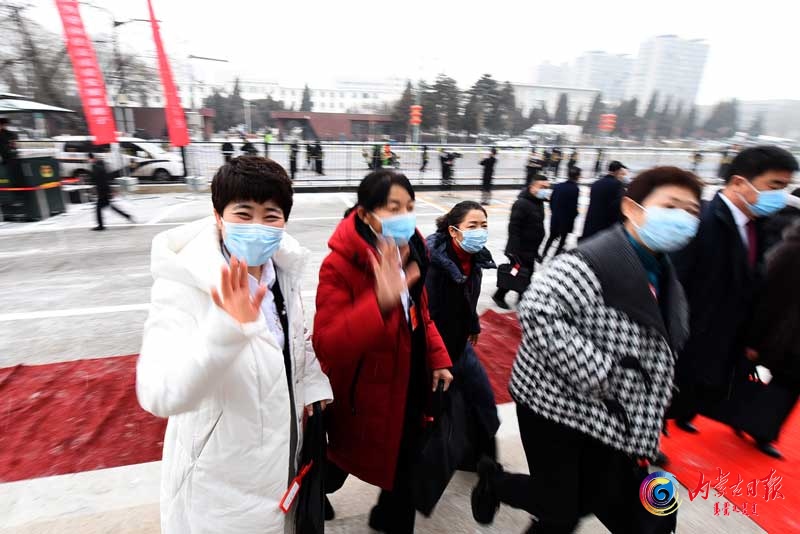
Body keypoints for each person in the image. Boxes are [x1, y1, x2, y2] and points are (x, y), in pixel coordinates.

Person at [472, 166, 703, 533]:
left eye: (691, 210)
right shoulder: (596, 259)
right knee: (561, 509)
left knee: (584, 500)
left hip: (606, 411)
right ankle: (495, 483)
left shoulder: (661, 267)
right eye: (671, 206)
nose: (683, 218)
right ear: (632, 209)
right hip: (552, 403)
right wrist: (602, 373)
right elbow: (537, 310)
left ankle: (501, 485)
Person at [136, 155, 333, 533]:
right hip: (219, 489)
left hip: (281, 467)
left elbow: (293, 341)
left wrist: (313, 385)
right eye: (243, 214)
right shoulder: (184, 283)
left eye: (271, 216)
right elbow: (158, 394)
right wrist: (226, 329)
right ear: (218, 216)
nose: (258, 226)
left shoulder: (283, 272)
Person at [313, 170, 453, 533]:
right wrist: (378, 303)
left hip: (409, 386)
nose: (405, 216)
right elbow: (327, 343)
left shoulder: (414, 250)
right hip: (364, 397)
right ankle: (315, 490)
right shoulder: (340, 265)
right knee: (341, 462)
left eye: (409, 207)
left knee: (405, 470)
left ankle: (389, 518)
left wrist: (438, 358)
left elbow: (420, 314)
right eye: (393, 208)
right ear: (365, 214)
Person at [669, 146, 798, 459]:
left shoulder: (755, 227)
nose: (781, 196)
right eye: (774, 186)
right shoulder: (701, 223)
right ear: (740, 182)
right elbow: (673, 287)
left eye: (785, 187)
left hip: (717, 349)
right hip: (685, 347)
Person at [425, 201, 500, 464]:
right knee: (441, 410)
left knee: (483, 401)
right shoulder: (433, 265)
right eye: (472, 226)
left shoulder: (475, 258)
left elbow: (467, 297)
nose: (480, 231)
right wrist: (437, 359)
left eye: (484, 226)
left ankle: (479, 459)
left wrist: (473, 323)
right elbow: (427, 315)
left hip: (460, 343)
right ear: (453, 231)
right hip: (438, 349)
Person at [746, 221, 800, 451]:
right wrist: (755, 337)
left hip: (789, 333)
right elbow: (770, 295)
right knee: (780, 381)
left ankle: (761, 428)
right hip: (784, 332)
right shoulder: (791, 251)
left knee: (787, 384)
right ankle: (761, 430)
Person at [492, 176, 549, 309]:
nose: (545, 190)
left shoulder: (538, 203)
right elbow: (514, 228)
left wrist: (536, 251)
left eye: (547, 187)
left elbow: (536, 227)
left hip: (530, 249)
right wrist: (512, 251)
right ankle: (500, 295)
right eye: (542, 187)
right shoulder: (521, 203)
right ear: (532, 187)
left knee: (523, 274)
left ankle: (520, 298)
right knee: (517, 273)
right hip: (519, 250)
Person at [581, 160, 629, 240]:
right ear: (618, 171)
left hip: (590, 225)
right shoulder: (617, 185)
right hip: (605, 228)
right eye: (622, 174)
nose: (622, 176)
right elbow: (618, 206)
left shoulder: (596, 183)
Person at [541, 165, 581, 258]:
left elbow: (551, 201)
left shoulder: (558, 186)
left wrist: (554, 212)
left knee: (551, 237)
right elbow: (573, 206)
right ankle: (555, 256)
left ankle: (543, 254)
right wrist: (575, 214)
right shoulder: (575, 189)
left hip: (555, 217)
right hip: (566, 219)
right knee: (562, 239)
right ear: (577, 176)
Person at [89, 152, 134, 231]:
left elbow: (98, 180)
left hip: (103, 191)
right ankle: (127, 216)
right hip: (105, 191)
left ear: (91, 159)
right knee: (111, 208)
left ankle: (101, 226)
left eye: (89, 159)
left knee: (99, 209)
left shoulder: (96, 167)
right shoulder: (101, 166)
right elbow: (105, 179)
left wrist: (104, 191)